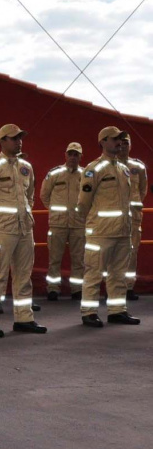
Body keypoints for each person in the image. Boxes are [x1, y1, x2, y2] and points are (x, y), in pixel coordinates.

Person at [0, 124, 44, 338]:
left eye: (20, 137)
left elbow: (30, 195)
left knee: (24, 275)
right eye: (14, 138)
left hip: (24, 227)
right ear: (2, 141)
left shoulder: (26, 167)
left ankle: (24, 318)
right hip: (1, 229)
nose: (19, 141)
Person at [77, 126, 140, 327]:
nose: (119, 142)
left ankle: (117, 310)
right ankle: (89, 312)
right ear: (103, 142)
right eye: (114, 139)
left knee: (119, 274)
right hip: (101, 231)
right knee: (94, 272)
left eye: (121, 139)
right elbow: (83, 203)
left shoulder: (123, 169)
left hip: (123, 231)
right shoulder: (93, 169)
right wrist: (92, 224)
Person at [39, 142, 85, 301]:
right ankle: (53, 289)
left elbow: (91, 198)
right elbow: (44, 195)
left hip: (79, 224)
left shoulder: (86, 175)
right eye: (70, 154)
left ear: (80, 157)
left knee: (79, 259)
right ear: (65, 155)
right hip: (58, 224)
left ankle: (77, 289)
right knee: (54, 258)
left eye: (76, 154)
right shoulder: (54, 174)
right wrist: (54, 211)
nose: (73, 157)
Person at [119, 135, 147, 300]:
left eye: (126, 143)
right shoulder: (107, 166)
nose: (123, 146)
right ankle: (112, 286)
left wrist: (133, 204)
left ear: (131, 145)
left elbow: (142, 190)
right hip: (113, 217)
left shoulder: (138, 167)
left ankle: (128, 287)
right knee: (113, 252)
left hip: (133, 216)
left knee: (132, 252)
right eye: (120, 143)